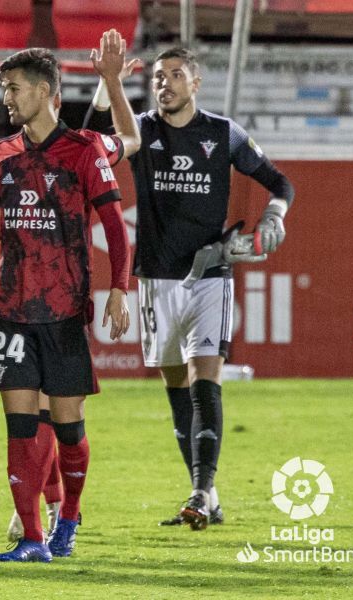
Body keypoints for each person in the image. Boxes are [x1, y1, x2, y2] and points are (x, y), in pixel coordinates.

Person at [0, 30, 142, 546]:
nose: (6, 97)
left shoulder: (84, 150)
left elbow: (116, 226)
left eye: (14, 87)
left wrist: (120, 289)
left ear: (47, 92)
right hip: (11, 306)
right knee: (20, 426)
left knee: (68, 425)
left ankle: (68, 518)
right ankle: (30, 537)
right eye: (4, 87)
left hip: (64, 307)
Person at [85, 47, 295, 530]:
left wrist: (273, 215)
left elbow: (280, 182)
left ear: (195, 83)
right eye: (159, 76)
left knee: (206, 382)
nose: (166, 83)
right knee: (177, 391)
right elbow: (89, 140)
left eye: (176, 75)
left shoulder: (223, 133)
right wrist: (107, 81)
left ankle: (200, 490)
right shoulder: (140, 131)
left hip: (210, 274)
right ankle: (209, 496)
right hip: (156, 276)